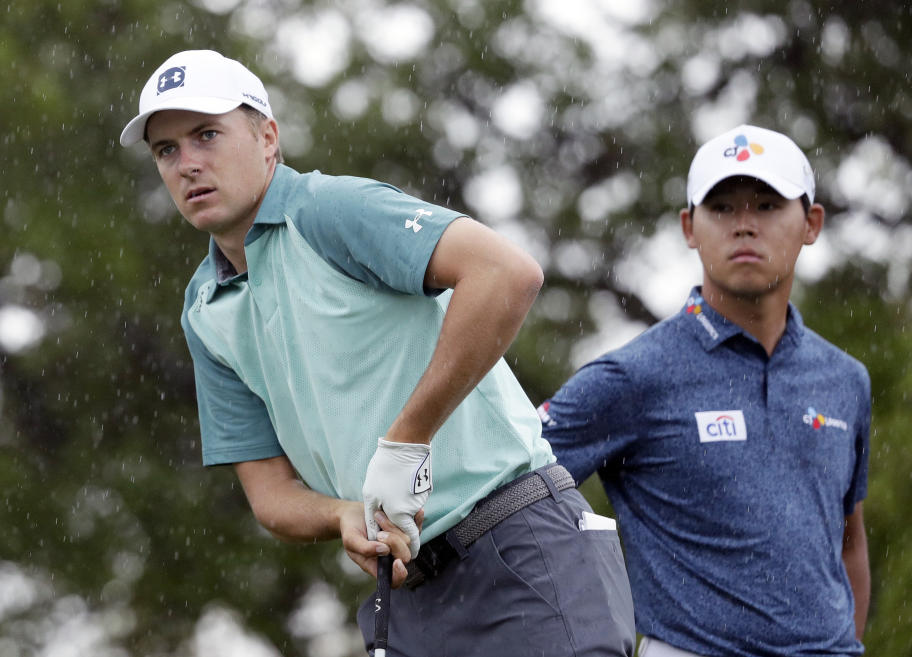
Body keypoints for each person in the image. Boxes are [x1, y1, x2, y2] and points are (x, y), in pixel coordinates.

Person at [120, 50, 634, 656]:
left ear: (267, 138)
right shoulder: (204, 307)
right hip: (411, 592)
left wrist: (407, 438)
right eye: (167, 150)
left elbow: (506, 274)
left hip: (520, 545)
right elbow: (270, 495)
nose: (188, 164)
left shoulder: (327, 210)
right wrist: (339, 515)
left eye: (207, 134)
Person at [540, 124, 871, 657]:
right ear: (689, 227)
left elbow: (848, 540)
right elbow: (507, 487)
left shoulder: (845, 380)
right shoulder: (633, 376)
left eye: (766, 205)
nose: (744, 225)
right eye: (722, 208)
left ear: (811, 223)